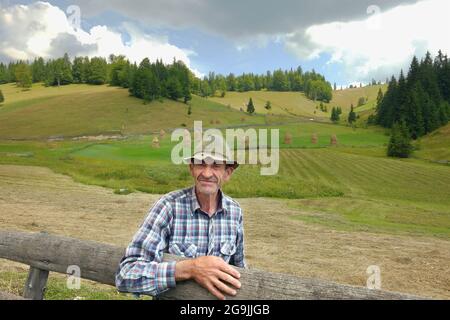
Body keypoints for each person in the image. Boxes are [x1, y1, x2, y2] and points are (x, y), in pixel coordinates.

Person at [115, 137, 246, 300]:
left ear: (227, 172)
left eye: (216, 166)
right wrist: (190, 268)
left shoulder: (235, 212)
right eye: (200, 164)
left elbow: (240, 271)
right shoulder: (168, 206)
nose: (206, 173)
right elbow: (127, 274)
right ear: (191, 168)